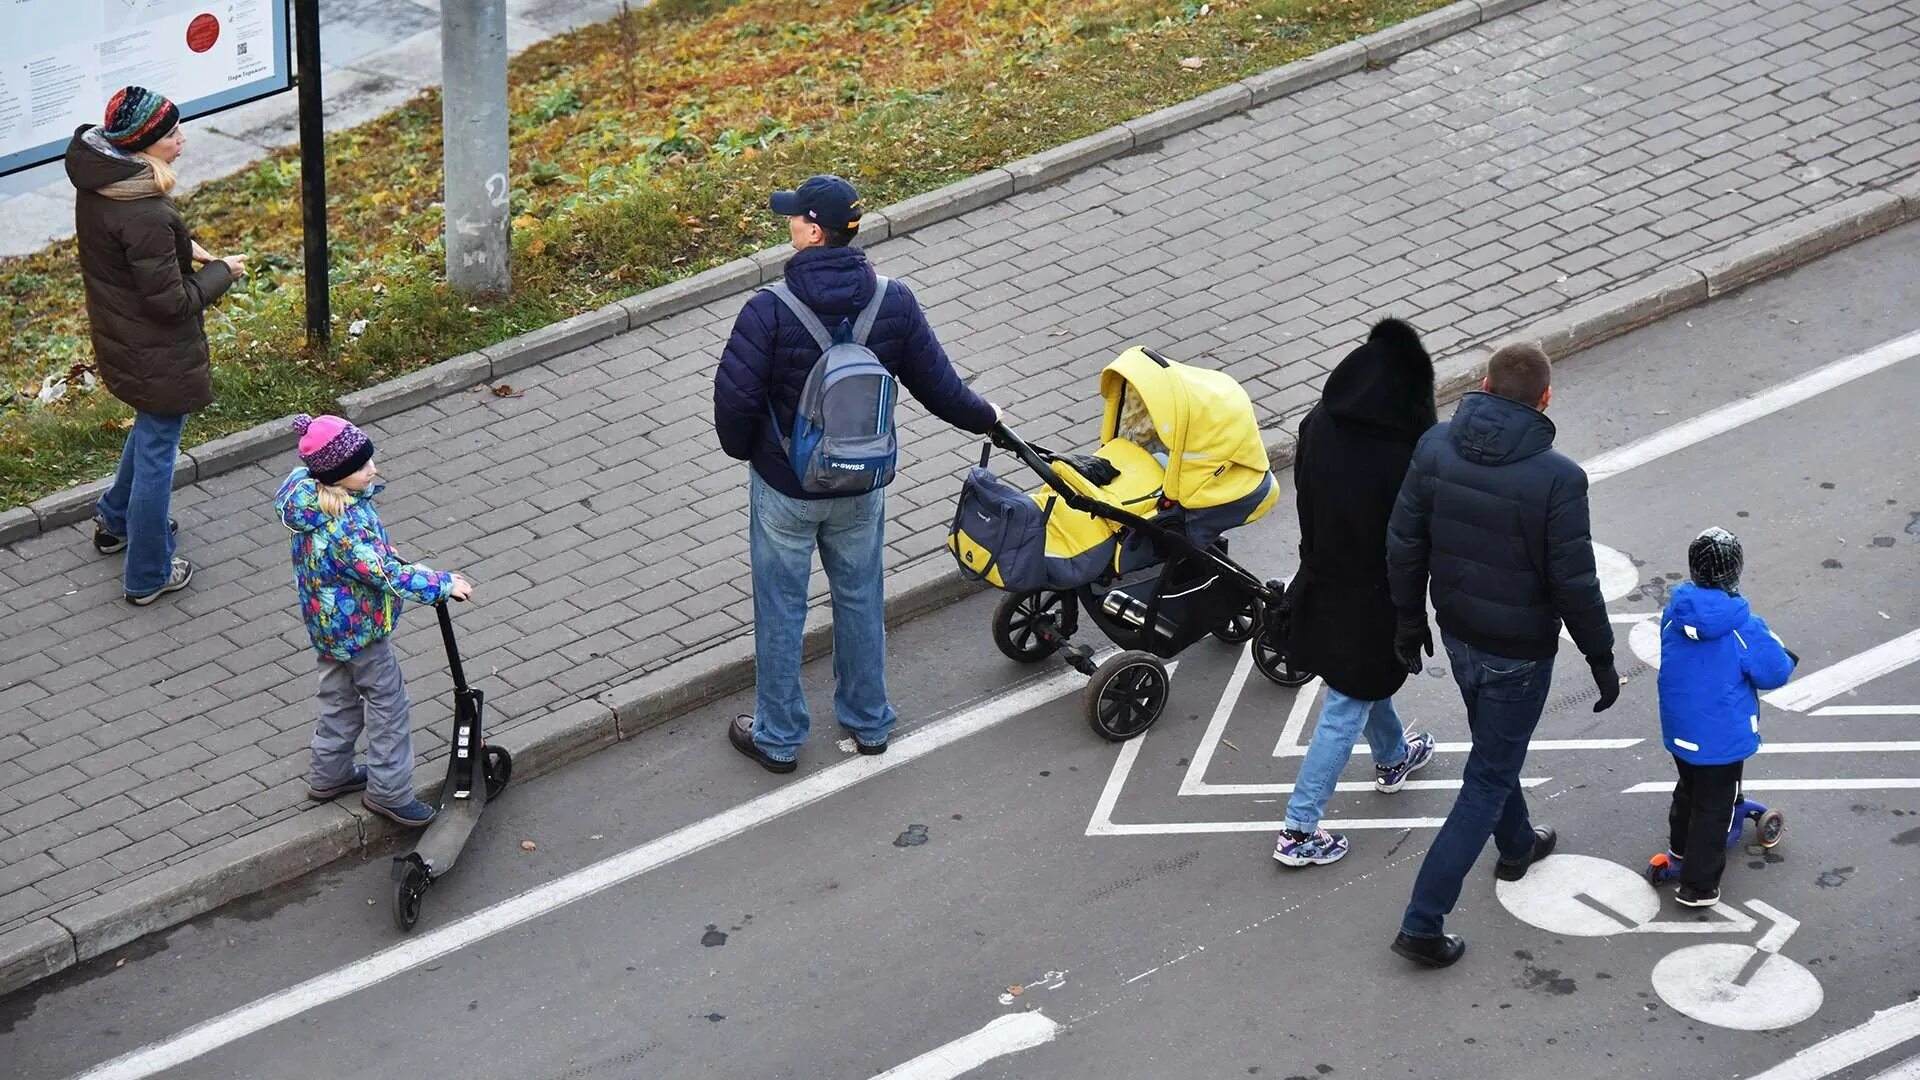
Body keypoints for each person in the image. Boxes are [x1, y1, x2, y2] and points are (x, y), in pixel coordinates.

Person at [713, 175, 1000, 773]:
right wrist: (986, 418)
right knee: (861, 597)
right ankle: (869, 721)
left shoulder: (768, 310)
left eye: (794, 218)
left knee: (782, 608)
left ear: (813, 232)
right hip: (861, 484)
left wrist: (753, 455)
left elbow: (735, 402)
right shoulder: (892, 300)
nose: (787, 223)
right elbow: (939, 387)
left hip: (787, 489)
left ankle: (779, 737)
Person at [1384, 342, 1620, 967]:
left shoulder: (1435, 446)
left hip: (1457, 630)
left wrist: (1408, 622)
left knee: (1494, 746)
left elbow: (1403, 542)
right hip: (1519, 651)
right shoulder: (1559, 478)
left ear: (1484, 384)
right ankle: (1422, 921)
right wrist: (1600, 656)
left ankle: (1516, 843)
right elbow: (1574, 581)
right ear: (1546, 399)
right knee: (1487, 776)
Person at [66, 86, 247, 604]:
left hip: (122, 337)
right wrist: (221, 273)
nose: (181, 140)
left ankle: (115, 521)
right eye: (170, 135)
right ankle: (148, 574)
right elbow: (171, 302)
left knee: (149, 432)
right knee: (158, 455)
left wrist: (181, 246)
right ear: (142, 145)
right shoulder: (144, 209)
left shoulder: (102, 180)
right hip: (158, 351)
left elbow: (130, 246)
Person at [1272, 319, 1439, 868]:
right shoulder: (1406, 450)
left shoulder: (1319, 422)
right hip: (1375, 593)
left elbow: (1307, 500)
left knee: (1361, 679)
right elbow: (1413, 536)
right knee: (1347, 700)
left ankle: (1393, 758)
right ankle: (1300, 827)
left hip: (1323, 576)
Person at [275, 414, 473, 827]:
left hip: (327, 627)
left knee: (339, 698)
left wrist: (380, 548)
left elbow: (368, 558)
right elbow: (384, 572)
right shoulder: (343, 526)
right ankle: (390, 791)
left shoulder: (310, 497)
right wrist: (441, 584)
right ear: (338, 473)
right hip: (360, 631)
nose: (373, 470)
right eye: (363, 466)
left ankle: (329, 776)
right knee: (389, 704)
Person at [1654, 527, 1797, 907]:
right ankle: (1698, 887)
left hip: (1680, 729)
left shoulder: (1674, 613)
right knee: (1714, 808)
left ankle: (1679, 852)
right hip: (1721, 739)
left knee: (1688, 789)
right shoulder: (1743, 627)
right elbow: (1773, 671)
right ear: (1735, 571)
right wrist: (1788, 658)